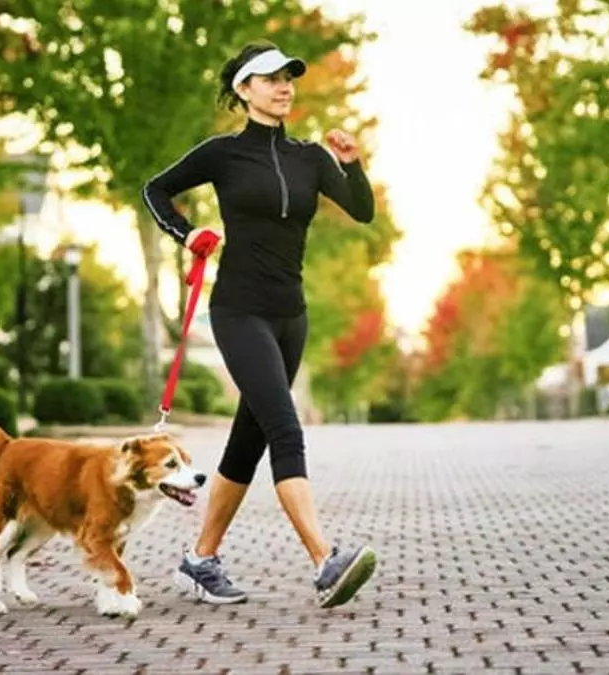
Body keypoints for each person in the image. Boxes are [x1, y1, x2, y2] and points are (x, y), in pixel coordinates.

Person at [141, 40, 378, 609]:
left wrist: (353, 163)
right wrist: (188, 233)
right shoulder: (223, 155)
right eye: (270, 78)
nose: (284, 86)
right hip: (238, 311)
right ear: (244, 90)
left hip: (290, 317)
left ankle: (199, 561)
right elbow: (155, 190)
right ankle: (326, 561)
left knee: (247, 443)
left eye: (289, 77)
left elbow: (363, 210)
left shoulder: (311, 157)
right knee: (285, 430)